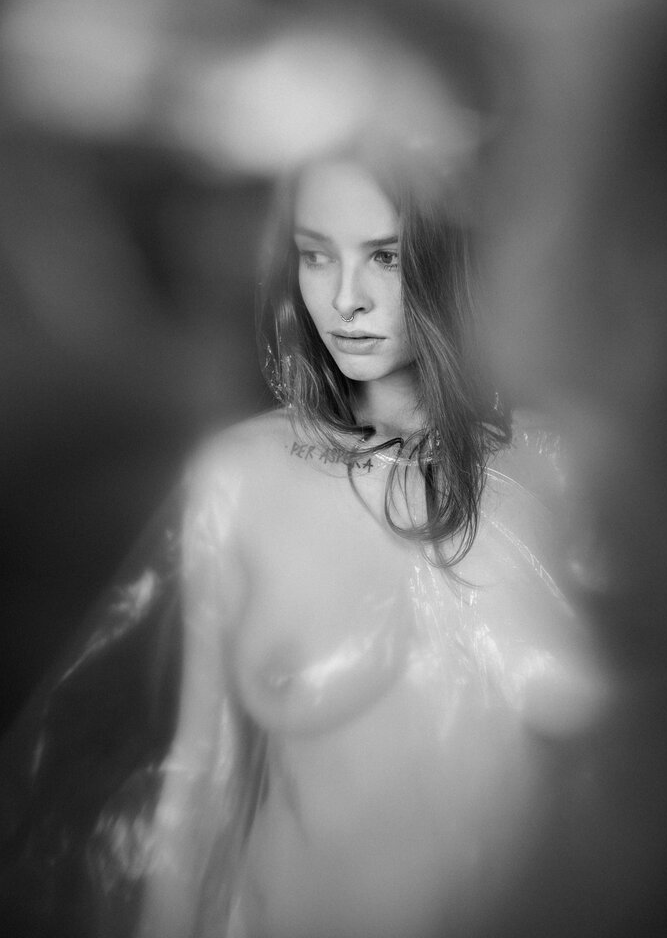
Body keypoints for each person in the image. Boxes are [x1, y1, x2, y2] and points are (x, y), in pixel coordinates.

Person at [133, 148, 605, 938]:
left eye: (385, 256)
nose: (344, 299)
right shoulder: (242, 479)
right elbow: (197, 787)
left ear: (459, 253)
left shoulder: (574, 476)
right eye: (316, 255)